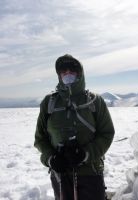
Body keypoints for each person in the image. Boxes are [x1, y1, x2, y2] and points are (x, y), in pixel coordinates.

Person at [34, 54, 115, 200]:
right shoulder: (49, 102)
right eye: (63, 71)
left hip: (90, 172)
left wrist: (85, 154)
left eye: (72, 70)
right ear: (59, 75)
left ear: (80, 73)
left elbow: (106, 133)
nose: (67, 74)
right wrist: (51, 159)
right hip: (60, 174)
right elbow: (40, 139)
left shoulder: (94, 101)